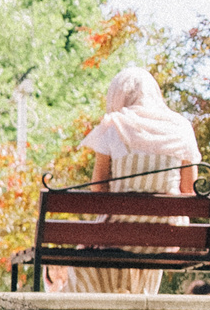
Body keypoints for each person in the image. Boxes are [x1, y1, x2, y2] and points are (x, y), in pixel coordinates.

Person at [48, 67, 202, 294]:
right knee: (137, 243)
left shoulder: (113, 126)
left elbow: (98, 190)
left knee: (86, 257)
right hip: (165, 238)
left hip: (114, 237)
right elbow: (189, 191)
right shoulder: (181, 128)